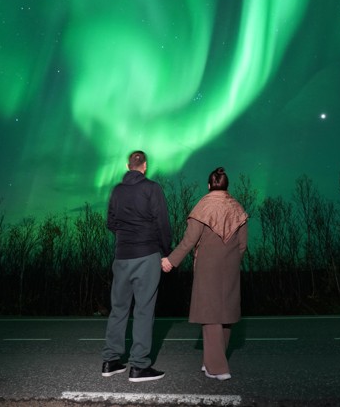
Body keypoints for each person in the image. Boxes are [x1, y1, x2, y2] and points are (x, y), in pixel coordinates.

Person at [161, 167, 248, 381]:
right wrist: (231, 261)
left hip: (208, 268)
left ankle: (218, 368)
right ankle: (211, 360)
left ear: (209, 186)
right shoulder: (238, 208)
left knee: (210, 316)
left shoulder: (203, 207)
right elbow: (242, 245)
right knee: (224, 314)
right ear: (226, 186)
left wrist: (170, 261)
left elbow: (189, 241)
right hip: (230, 267)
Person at [102, 150, 172, 382]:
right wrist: (166, 251)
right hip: (146, 255)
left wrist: (125, 235)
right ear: (145, 166)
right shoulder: (152, 188)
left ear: (127, 165)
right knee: (143, 310)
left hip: (121, 256)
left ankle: (111, 361)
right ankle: (139, 366)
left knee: (119, 308)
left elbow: (110, 222)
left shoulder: (117, 190)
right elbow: (162, 222)